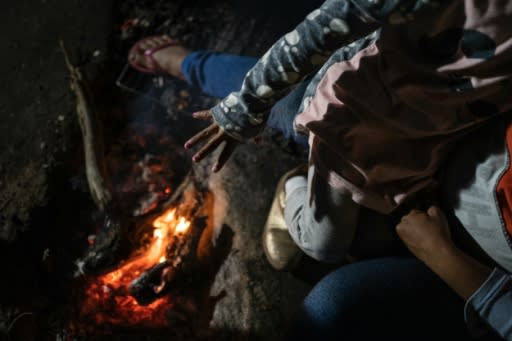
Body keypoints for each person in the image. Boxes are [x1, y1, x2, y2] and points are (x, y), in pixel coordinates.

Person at [128, 0, 512, 338]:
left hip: (433, 145)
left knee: (351, 247)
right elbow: (328, 24)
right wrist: (243, 109)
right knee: (321, 244)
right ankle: (292, 183)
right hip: (353, 127)